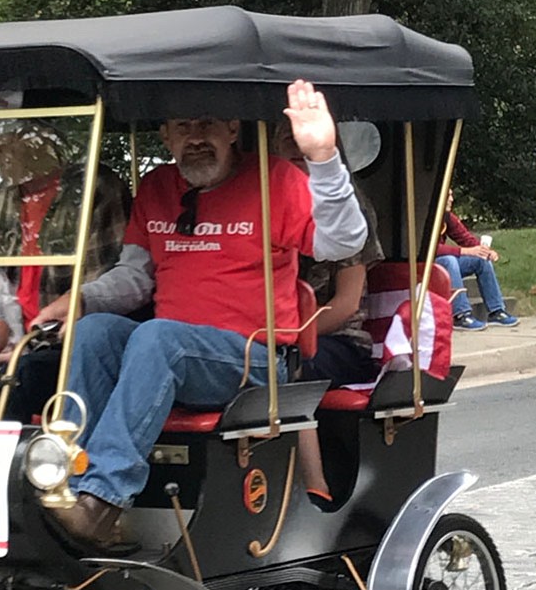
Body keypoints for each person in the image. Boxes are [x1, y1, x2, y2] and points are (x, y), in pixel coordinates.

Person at [35, 80, 368, 548]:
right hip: (179, 354)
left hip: (255, 360)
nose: (195, 137)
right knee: (93, 332)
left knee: (157, 338)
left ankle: (102, 502)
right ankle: (64, 481)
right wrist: (81, 300)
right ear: (166, 137)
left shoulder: (276, 180)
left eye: (207, 124)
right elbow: (135, 277)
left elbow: (343, 243)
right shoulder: (156, 188)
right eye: (182, 127)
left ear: (232, 129)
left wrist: (324, 159)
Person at [0, 118, 131, 421]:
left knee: (17, 373)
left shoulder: (95, 191)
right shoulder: (0, 200)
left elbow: (98, 300)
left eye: (5, 137)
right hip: (2, 345)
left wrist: (27, 343)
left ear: (42, 139)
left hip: (61, 349)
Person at [273, 117, 382, 507]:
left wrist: (288, 334)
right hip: (269, 331)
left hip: (337, 340)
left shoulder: (346, 207)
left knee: (283, 364)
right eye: (283, 139)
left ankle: (315, 489)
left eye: (298, 140)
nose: (292, 148)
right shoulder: (266, 198)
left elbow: (347, 302)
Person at [435, 189, 518, 331]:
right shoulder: (423, 217)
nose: (451, 199)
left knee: (481, 260)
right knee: (450, 260)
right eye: (448, 196)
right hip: (426, 265)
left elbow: (466, 238)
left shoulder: (448, 217)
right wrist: (464, 251)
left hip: (445, 265)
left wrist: (485, 251)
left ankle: (496, 311)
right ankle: (460, 315)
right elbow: (431, 248)